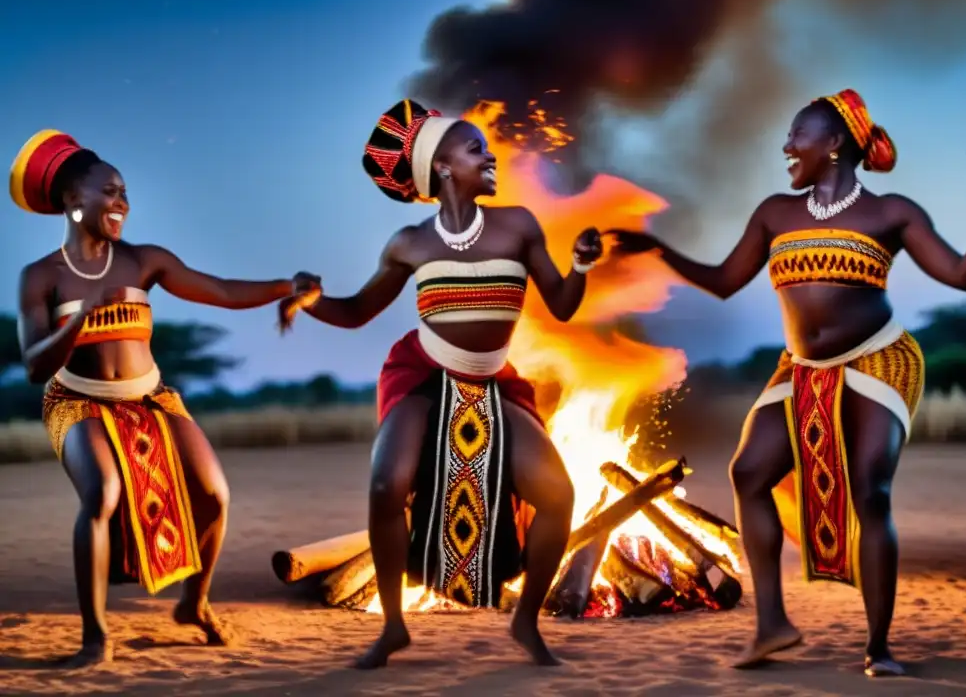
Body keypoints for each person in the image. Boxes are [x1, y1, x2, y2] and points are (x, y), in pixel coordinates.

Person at [608, 89, 966, 677]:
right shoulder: (775, 212)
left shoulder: (892, 212)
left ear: (835, 143)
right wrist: (654, 249)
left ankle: (879, 646)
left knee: (871, 491)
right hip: (799, 371)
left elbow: (964, 278)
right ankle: (772, 624)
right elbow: (723, 281)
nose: (787, 146)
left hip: (877, 362)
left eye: (798, 135)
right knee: (748, 471)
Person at [279, 99, 602, 669]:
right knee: (386, 486)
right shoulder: (409, 243)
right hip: (425, 377)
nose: (489, 154)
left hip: (494, 384)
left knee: (558, 495)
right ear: (444, 167)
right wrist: (310, 300)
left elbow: (563, 305)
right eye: (474, 147)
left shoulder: (519, 225)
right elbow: (356, 311)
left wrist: (579, 266)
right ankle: (393, 629)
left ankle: (526, 622)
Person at [11, 130, 319, 667]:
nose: (122, 203)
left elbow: (220, 290)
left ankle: (193, 606)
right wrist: (79, 321)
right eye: (109, 191)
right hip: (76, 401)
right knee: (101, 496)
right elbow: (38, 365)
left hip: (150, 397)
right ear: (70, 199)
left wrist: (285, 287)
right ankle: (95, 637)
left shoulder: (143, 260)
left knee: (215, 494)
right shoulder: (40, 277)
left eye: (125, 192)